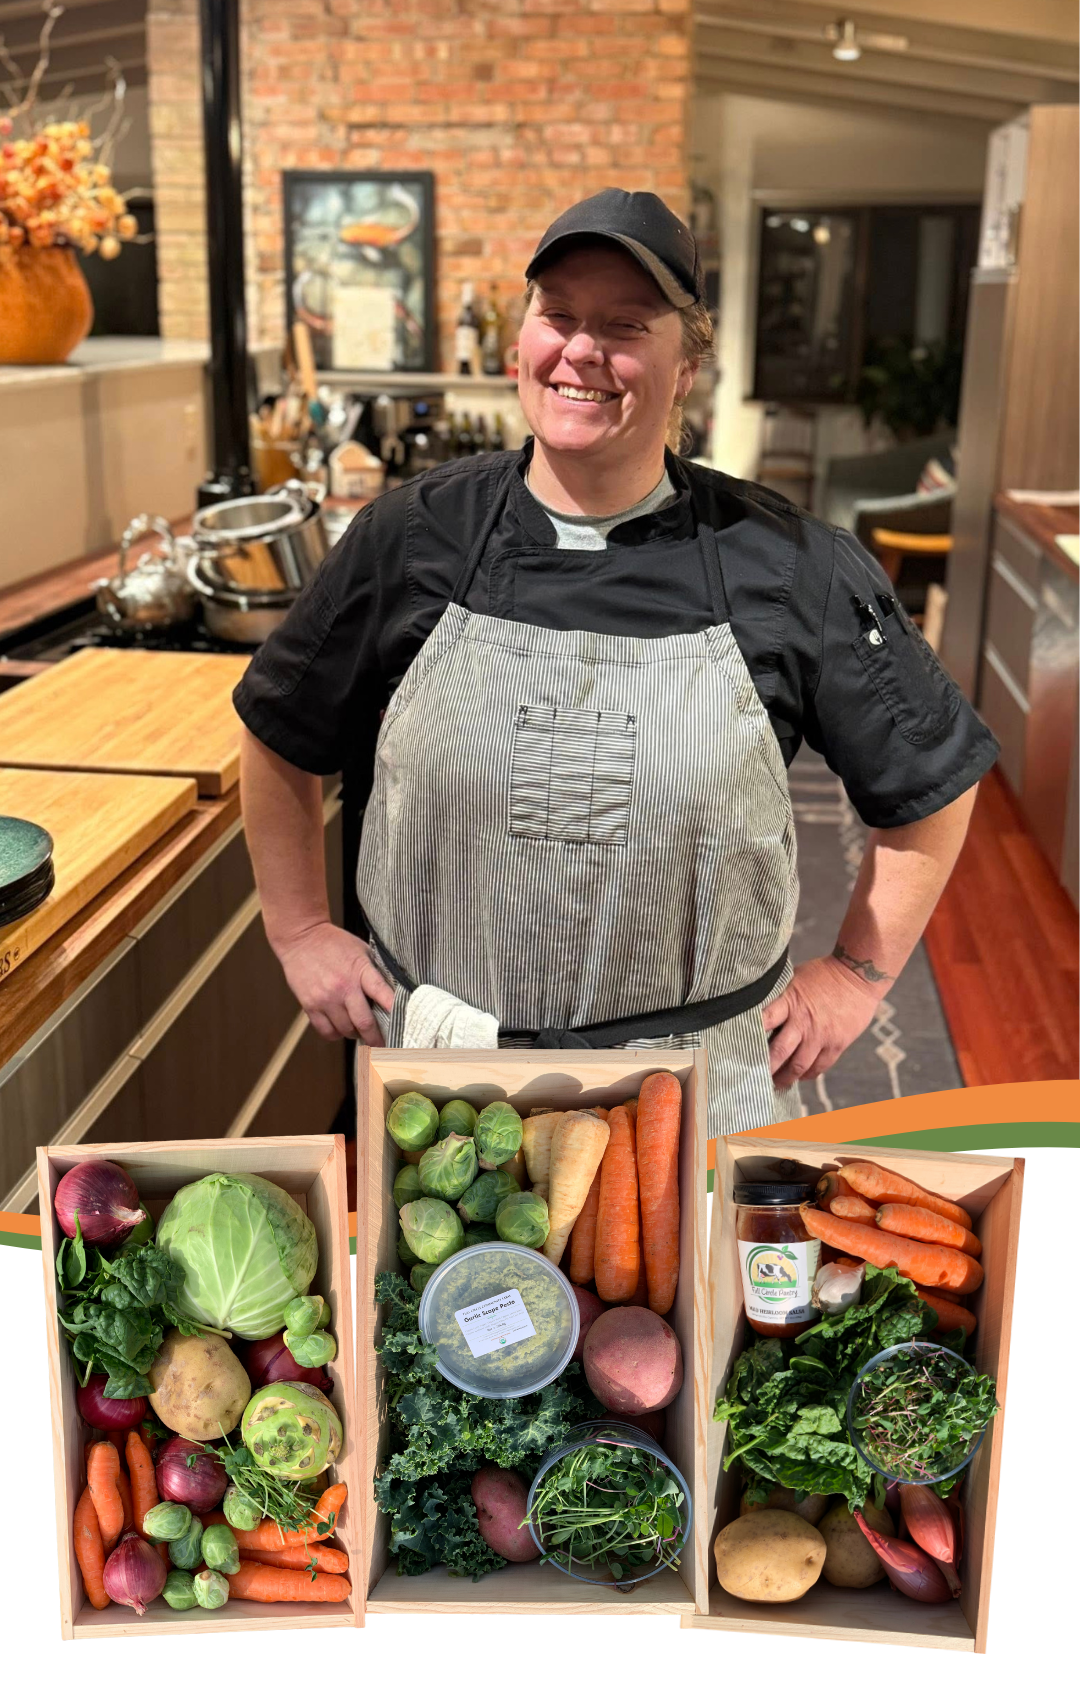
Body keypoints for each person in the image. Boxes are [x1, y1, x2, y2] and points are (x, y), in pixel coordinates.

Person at [233, 188, 998, 1141]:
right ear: (522, 337)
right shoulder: (414, 537)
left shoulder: (791, 565)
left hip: (690, 1099)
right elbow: (277, 735)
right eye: (558, 315)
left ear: (686, 369)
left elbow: (932, 777)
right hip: (441, 1099)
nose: (581, 351)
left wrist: (856, 975)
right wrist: (299, 931)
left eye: (625, 326)